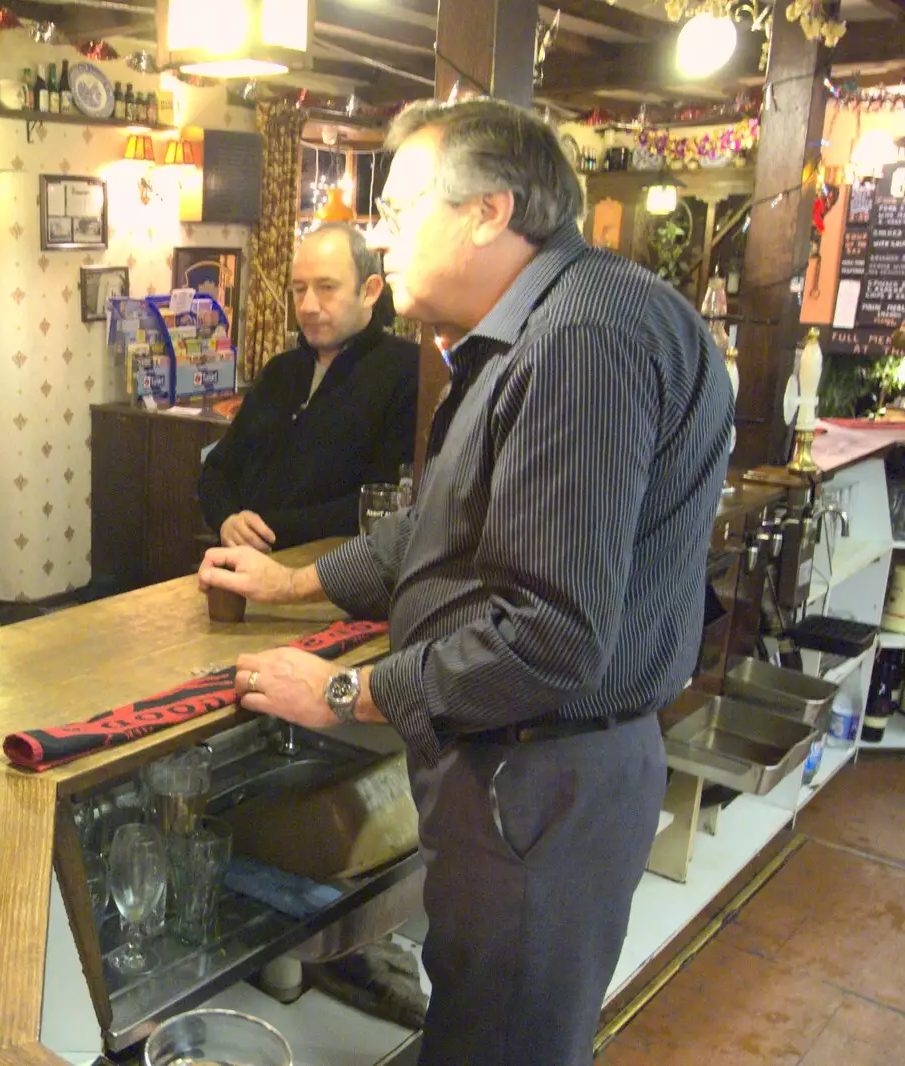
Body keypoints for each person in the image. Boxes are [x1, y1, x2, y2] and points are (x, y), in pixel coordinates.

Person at [200, 99, 733, 1066]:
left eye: (400, 210)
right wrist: (294, 583)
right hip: (537, 775)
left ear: (488, 213)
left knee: (503, 1047)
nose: (382, 235)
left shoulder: (579, 343)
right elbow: (440, 525)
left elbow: (551, 639)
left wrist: (344, 693)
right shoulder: (559, 320)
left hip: (541, 778)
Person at [198, 222, 417, 552]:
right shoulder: (280, 371)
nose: (308, 306)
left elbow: (381, 503)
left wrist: (265, 528)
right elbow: (217, 470)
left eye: (326, 287)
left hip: (332, 580)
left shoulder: (407, 371)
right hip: (238, 568)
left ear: (370, 291)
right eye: (299, 289)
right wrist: (228, 520)